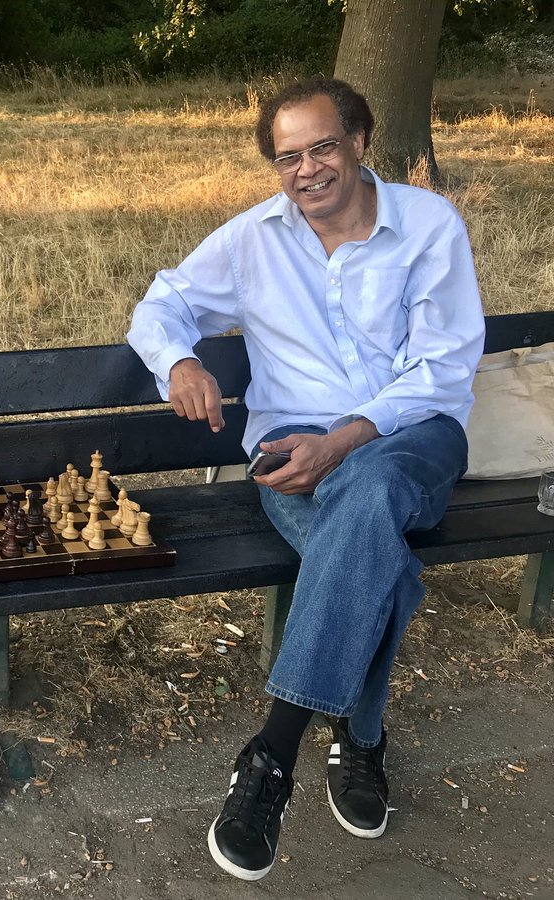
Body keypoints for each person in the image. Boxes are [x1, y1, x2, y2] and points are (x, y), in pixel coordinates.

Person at [127, 78, 485, 881]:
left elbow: (443, 366)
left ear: (359, 140)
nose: (307, 169)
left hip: (410, 439)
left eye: (323, 147)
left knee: (373, 488)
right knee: (375, 556)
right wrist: (181, 359)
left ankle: (273, 754)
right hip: (290, 452)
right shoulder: (253, 238)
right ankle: (359, 742)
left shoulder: (428, 226)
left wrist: (347, 439)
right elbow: (161, 304)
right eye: (287, 157)